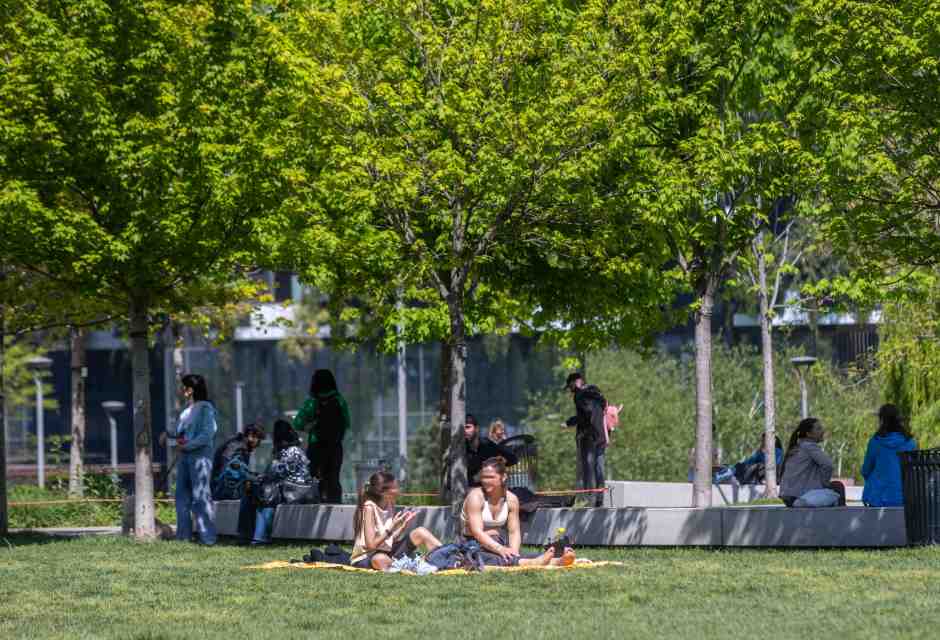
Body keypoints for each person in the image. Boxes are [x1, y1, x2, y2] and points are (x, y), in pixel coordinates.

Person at [460, 457, 574, 568]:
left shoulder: (511, 499)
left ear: (503, 477)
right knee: (481, 557)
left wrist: (514, 552)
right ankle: (542, 562)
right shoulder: (475, 497)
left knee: (509, 555)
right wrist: (500, 549)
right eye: (483, 477)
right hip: (472, 544)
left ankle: (556, 560)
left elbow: (514, 532)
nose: (485, 481)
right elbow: (477, 532)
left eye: (490, 477)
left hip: (496, 543)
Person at [350, 471, 443, 570]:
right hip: (367, 557)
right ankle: (414, 565)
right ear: (385, 492)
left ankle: (447, 556)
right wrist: (392, 527)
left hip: (385, 553)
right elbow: (371, 546)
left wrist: (403, 526)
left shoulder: (389, 504)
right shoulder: (369, 508)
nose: (399, 490)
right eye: (395, 487)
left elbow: (388, 541)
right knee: (380, 559)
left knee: (420, 532)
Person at [244, 420, 315, 545]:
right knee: (255, 492)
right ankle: (249, 536)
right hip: (288, 488)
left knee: (266, 495)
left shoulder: (292, 451)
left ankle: (259, 538)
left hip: (298, 490)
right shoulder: (284, 450)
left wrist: (262, 477)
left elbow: (278, 472)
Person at [168, 373, 218, 545]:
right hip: (185, 457)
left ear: (190, 389)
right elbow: (180, 432)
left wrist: (187, 445)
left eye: (183, 386)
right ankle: (183, 536)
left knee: (201, 496)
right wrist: (168, 434)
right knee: (181, 496)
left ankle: (208, 537)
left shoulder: (205, 408)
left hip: (200, 458)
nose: (181, 389)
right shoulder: (186, 410)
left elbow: (208, 434)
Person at [293, 369, 350, 504]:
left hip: (316, 446)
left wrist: (311, 427)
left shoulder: (312, 402)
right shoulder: (340, 400)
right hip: (335, 447)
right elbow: (347, 423)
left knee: (315, 478)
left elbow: (297, 423)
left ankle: (316, 505)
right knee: (333, 478)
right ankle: (335, 505)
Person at [779, 418, 846, 508]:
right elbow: (828, 465)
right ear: (809, 434)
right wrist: (824, 483)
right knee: (838, 487)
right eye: (818, 428)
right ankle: (841, 515)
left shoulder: (796, 447)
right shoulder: (809, 446)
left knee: (834, 487)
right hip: (801, 496)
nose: (822, 431)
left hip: (788, 497)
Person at [563, 372, 607, 506]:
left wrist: (569, 422)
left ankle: (588, 498)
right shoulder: (597, 393)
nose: (570, 389)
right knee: (599, 466)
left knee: (587, 466)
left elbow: (586, 414)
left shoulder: (579, 394)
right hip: (600, 434)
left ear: (575, 382)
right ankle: (599, 498)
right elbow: (602, 409)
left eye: (570, 386)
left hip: (587, 435)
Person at [862, 404, 917, 507]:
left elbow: (866, 470)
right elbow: (914, 472)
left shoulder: (875, 442)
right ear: (899, 419)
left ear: (881, 420)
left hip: (878, 499)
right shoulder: (910, 443)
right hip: (904, 498)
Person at [211, 423, 265, 501]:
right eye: (258, 438)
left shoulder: (239, 445)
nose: (258, 443)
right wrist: (255, 478)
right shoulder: (237, 448)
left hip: (222, 488)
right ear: (250, 435)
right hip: (222, 490)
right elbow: (231, 470)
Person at [465, 414, 518, 487]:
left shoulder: (486, 445)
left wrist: (497, 463)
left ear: (476, 428)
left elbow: (512, 459)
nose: (465, 431)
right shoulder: (461, 450)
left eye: (468, 427)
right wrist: (475, 478)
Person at [714, 435, 783, 485]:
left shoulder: (777, 451)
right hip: (757, 471)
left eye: (764, 440)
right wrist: (742, 463)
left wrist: (763, 453)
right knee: (738, 466)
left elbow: (774, 463)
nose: (763, 442)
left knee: (743, 467)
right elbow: (751, 460)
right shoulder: (762, 451)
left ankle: (720, 477)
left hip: (767, 472)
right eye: (762, 440)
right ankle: (720, 476)